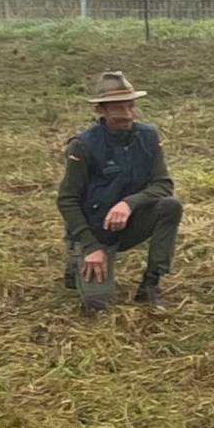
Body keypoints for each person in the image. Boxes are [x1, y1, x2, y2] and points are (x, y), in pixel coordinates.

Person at [58, 71, 180, 312]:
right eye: (118, 109)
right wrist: (91, 246)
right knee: (98, 305)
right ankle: (77, 256)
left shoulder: (148, 136)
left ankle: (151, 285)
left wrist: (129, 203)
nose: (127, 115)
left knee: (170, 207)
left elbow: (163, 185)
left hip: (130, 223)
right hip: (94, 231)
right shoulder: (82, 145)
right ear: (100, 111)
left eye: (130, 107)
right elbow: (67, 200)